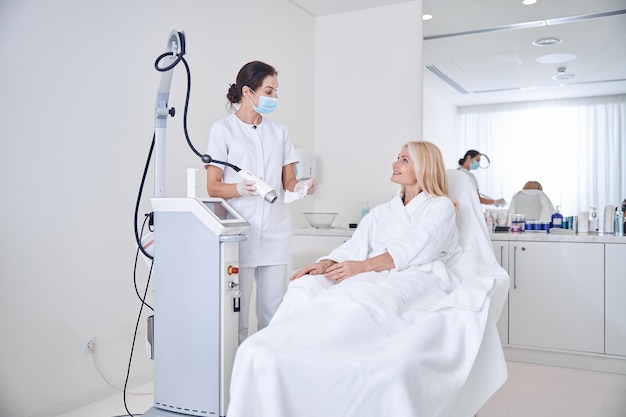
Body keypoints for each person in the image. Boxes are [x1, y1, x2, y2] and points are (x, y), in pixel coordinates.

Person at [226, 141, 510, 417]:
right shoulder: (383, 211)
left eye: (404, 160)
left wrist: (360, 268)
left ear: (423, 169)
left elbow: (414, 249)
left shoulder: (441, 207)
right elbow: (355, 245)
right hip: (373, 273)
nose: (394, 163)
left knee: (369, 301)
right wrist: (325, 264)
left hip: (418, 276)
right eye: (397, 157)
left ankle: (345, 353)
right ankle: (296, 352)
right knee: (339, 296)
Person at [205, 61, 317, 343]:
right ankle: (236, 380)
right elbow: (213, 186)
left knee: (274, 314)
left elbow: (288, 183)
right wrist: (239, 188)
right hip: (238, 235)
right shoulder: (223, 130)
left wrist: (301, 187)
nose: (275, 97)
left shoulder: (279, 132)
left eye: (276, 91)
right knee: (236, 317)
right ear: (247, 91)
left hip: (274, 234)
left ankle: (267, 379)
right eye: (269, 90)